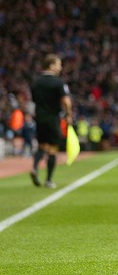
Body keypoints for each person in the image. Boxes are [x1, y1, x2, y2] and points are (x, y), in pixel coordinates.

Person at [30, 54, 73, 189]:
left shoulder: (35, 81)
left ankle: (35, 168)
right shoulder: (58, 82)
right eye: (58, 64)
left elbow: (34, 99)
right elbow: (66, 101)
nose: (60, 67)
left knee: (42, 145)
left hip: (39, 117)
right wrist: (68, 114)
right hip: (53, 117)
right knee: (53, 148)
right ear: (51, 65)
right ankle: (48, 180)